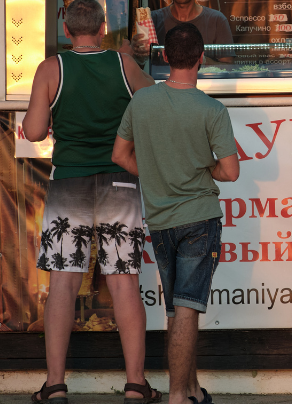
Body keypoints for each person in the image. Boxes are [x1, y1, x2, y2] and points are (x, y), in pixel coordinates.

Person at [22, 0, 160, 404]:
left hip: (69, 183)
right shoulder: (123, 64)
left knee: (63, 285)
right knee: (124, 285)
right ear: (103, 28)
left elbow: (32, 131)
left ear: (67, 30)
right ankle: (136, 384)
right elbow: (156, 104)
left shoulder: (52, 68)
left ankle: (55, 385)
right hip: (121, 181)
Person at [112, 22, 240, 404]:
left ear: (164, 58)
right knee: (187, 307)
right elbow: (231, 171)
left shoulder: (142, 102)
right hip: (199, 217)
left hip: (161, 221)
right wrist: (204, 168)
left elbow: (119, 155)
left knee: (178, 308)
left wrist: (155, 172)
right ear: (201, 58)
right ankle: (176, 398)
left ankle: (191, 389)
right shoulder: (211, 109)